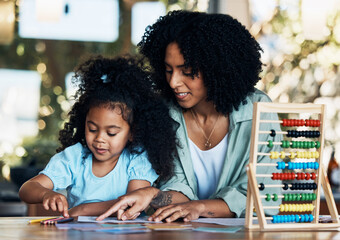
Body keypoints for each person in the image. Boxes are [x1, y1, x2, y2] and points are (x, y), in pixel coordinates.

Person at [97, 10, 282, 222]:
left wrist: (199, 207)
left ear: (217, 69)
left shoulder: (258, 110)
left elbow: (264, 195)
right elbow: (176, 188)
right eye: (168, 70)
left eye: (187, 71)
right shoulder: (164, 114)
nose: (174, 82)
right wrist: (153, 195)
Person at [19, 56, 178, 217]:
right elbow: (27, 189)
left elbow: (133, 203)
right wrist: (46, 194)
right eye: (92, 129)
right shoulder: (75, 157)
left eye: (111, 133)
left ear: (132, 133)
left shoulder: (137, 159)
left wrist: (83, 209)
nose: (100, 139)